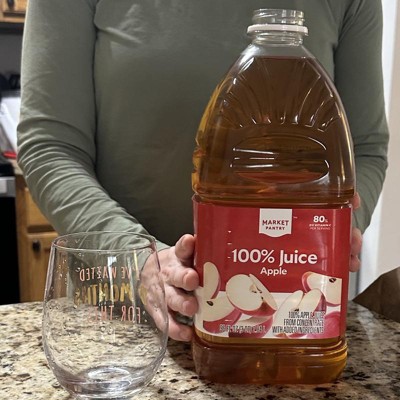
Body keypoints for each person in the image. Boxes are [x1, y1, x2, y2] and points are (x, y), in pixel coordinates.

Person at [17, 0, 389, 342]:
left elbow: (365, 149)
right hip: (121, 315)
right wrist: (138, 259)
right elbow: (50, 146)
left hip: (289, 316)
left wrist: (336, 233)